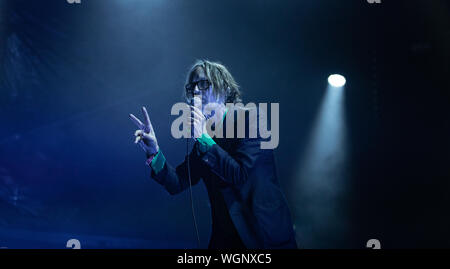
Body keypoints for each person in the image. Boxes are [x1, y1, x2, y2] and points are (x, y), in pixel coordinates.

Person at [129, 60, 297, 249]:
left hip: (262, 235)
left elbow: (241, 175)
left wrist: (202, 137)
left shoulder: (251, 118)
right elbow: (178, 182)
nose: (196, 92)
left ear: (224, 88)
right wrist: (154, 152)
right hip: (224, 238)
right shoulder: (206, 137)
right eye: (191, 87)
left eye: (203, 83)